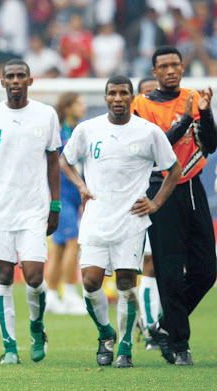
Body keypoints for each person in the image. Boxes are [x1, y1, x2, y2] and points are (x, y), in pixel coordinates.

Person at [60, 75, 181, 368]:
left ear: (131, 98)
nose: (117, 98)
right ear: (105, 98)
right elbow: (65, 160)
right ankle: (105, 334)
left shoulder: (149, 132)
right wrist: (80, 184)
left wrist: (156, 203)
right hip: (96, 218)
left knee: (127, 284)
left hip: (131, 220)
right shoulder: (88, 129)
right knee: (90, 282)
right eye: (112, 93)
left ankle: (125, 347)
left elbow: (174, 169)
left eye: (123, 93)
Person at [0, 58, 61, 365]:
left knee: (34, 276)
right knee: (4, 276)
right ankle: (9, 347)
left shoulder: (46, 115)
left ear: (30, 81)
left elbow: (53, 163)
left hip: (35, 208)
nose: (15, 81)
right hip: (0, 211)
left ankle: (37, 327)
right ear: (2, 82)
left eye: (21, 76)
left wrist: (55, 205)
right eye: (10, 76)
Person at [131, 45, 217, 366]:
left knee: (208, 268)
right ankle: (180, 343)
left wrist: (206, 113)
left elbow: (210, 144)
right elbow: (158, 146)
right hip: (159, 187)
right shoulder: (141, 105)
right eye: (163, 66)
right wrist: (186, 118)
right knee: (168, 269)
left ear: (182, 67)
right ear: (154, 72)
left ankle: (164, 325)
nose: (170, 70)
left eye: (175, 65)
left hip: (191, 184)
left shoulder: (196, 98)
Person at [48, 92, 87, 315]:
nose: (83, 106)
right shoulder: (57, 130)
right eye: (79, 102)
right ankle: (70, 293)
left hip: (74, 193)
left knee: (61, 247)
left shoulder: (78, 130)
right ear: (67, 106)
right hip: (60, 193)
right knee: (74, 241)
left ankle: (52, 295)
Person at [135, 76, 162, 351]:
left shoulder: (166, 128)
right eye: (144, 94)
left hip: (167, 199)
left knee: (169, 265)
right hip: (139, 202)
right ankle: (150, 325)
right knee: (149, 265)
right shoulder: (133, 129)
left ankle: (155, 320)